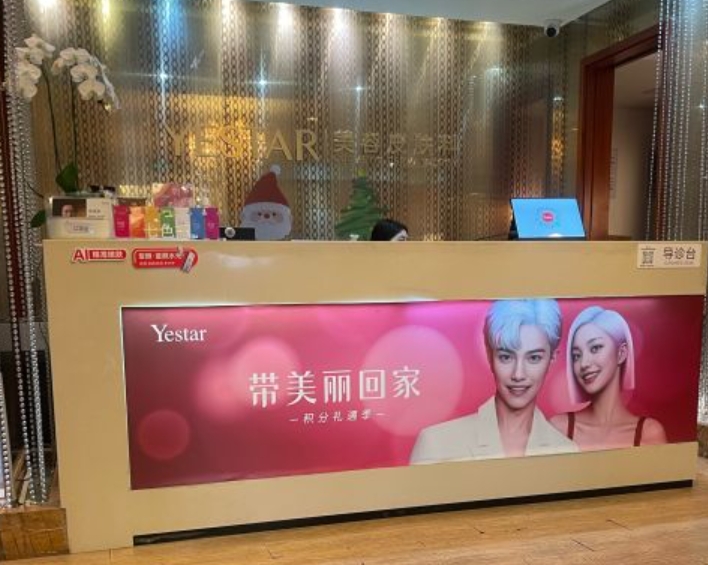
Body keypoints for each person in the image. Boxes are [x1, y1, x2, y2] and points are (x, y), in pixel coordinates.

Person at [410, 299, 577, 464]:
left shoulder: (566, 450)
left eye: (534, 358)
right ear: (489, 355)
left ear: (552, 357)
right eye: (506, 357)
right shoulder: (435, 444)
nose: (518, 374)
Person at [550, 306, 666, 450]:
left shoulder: (649, 433)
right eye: (576, 356)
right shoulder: (559, 428)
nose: (584, 363)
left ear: (621, 353)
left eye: (595, 348)